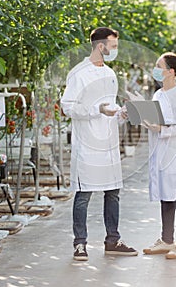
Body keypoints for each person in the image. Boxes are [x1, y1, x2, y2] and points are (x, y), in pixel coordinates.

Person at [61, 27, 138, 261]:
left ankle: (112, 240)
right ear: (100, 45)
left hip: (109, 143)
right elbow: (68, 106)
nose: (115, 50)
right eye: (113, 46)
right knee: (84, 194)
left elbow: (109, 107)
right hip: (88, 144)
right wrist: (97, 110)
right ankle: (80, 243)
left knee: (112, 192)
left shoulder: (110, 73)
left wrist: (119, 113)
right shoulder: (79, 73)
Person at [129, 52, 176, 259]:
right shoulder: (159, 94)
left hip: (174, 152)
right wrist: (143, 117)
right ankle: (166, 240)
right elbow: (154, 118)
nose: (156, 70)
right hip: (159, 151)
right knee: (165, 196)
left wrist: (162, 129)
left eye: (159, 66)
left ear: (171, 71)